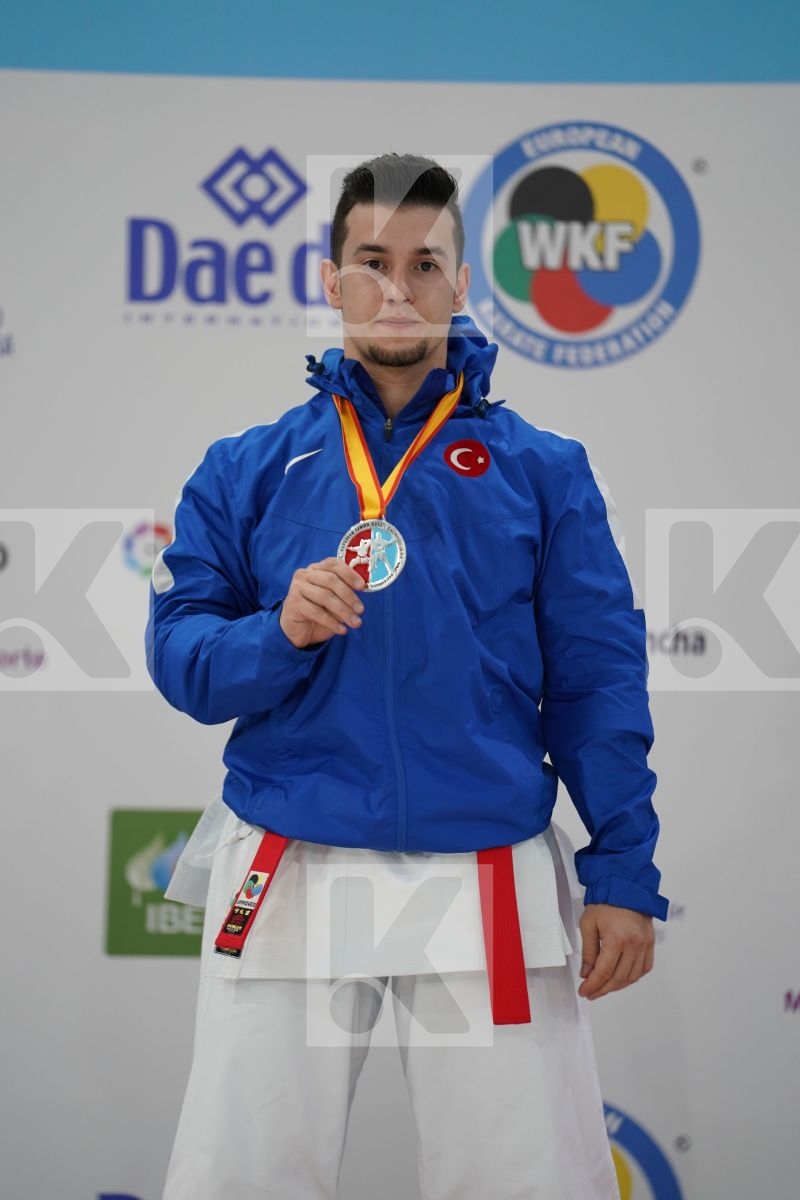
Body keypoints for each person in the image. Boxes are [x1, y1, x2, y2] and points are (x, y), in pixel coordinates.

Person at [145, 152, 668, 1200]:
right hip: (291, 849)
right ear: (330, 279)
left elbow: (596, 684)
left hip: (482, 862)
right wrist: (276, 635)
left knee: (522, 1184)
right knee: (243, 1179)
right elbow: (182, 660)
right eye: (370, 262)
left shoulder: (542, 469)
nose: (396, 287)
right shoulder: (245, 467)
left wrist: (621, 867)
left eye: (424, 264)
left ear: (461, 282)